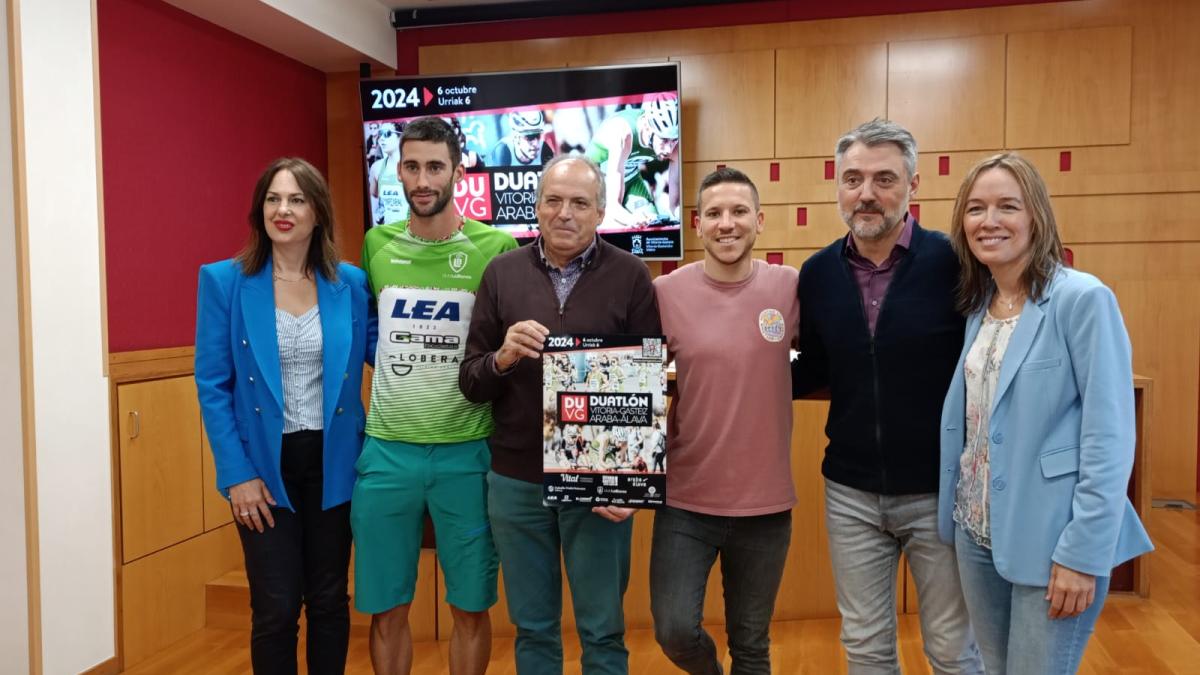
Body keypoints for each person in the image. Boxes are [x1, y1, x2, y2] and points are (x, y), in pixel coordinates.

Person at [939, 152, 1154, 674]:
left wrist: (1083, 553)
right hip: (977, 530)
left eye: (1007, 206)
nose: (989, 221)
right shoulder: (978, 305)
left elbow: (1110, 435)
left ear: (1035, 216)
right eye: (976, 208)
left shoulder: (1082, 299)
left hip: (1054, 537)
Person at [791, 119, 983, 675]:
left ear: (913, 185)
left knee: (951, 649)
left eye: (884, 179)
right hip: (850, 493)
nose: (866, 193)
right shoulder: (819, 272)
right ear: (837, 185)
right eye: (853, 178)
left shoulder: (955, 264)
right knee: (866, 648)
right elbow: (815, 369)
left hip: (940, 490)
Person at [460, 154, 661, 674]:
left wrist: (628, 483)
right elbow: (470, 382)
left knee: (603, 630)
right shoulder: (501, 274)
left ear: (600, 211)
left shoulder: (633, 275)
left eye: (579, 203)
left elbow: (648, 384)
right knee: (533, 629)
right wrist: (502, 358)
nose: (564, 213)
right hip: (516, 482)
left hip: (597, 486)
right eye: (553, 200)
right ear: (537, 206)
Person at [194, 157, 375, 675]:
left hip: (334, 461)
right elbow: (212, 383)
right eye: (273, 199)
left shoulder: (351, 284)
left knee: (328, 601)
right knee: (274, 608)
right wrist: (237, 476)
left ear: (318, 212)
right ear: (260, 210)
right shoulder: (225, 282)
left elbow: (384, 353)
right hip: (262, 470)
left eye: (297, 199)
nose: (284, 210)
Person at [353, 116, 517, 675]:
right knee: (386, 607)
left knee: (470, 606)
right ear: (398, 170)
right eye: (412, 166)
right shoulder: (377, 243)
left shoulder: (495, 247)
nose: (423, 179)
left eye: (435, 166)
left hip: (468, 453)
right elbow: (372, 333)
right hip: (386, 453)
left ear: (457, 169)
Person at [651, 167, 799, 675]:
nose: (726, 223)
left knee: (752, 646)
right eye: (714, 213)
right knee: (672, 630)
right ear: (697, 224)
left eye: (739, 212)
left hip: (766, 504)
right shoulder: (666, 293)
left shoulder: (790, 288)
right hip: (686, 501)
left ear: (759, 221)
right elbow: (630, 381)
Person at [585, 97, 681, 228]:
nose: (669, 148)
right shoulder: (624, 134)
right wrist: (632, 220)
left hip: (630, 176)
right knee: (615, 227)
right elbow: (613, 208)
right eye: (664, 140)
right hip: (595, 179)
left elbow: (675, 207)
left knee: (653, 226)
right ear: (647, 128)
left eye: (673, 140)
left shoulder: (673, 146)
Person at [487, 109, 554, 167]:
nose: (536, 143)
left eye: (538, 136)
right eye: (530, 137)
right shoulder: (503, 151)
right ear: (517, 137)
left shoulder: (545, 150)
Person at [368, 122, 404, 226]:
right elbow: (373, 198)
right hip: (386, 233)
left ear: (400, 137)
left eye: (387, 133)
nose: (381, 139)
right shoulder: (376, 168)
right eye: (380, 134)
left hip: (412, 235)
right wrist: (375, 215)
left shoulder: (414, 167)